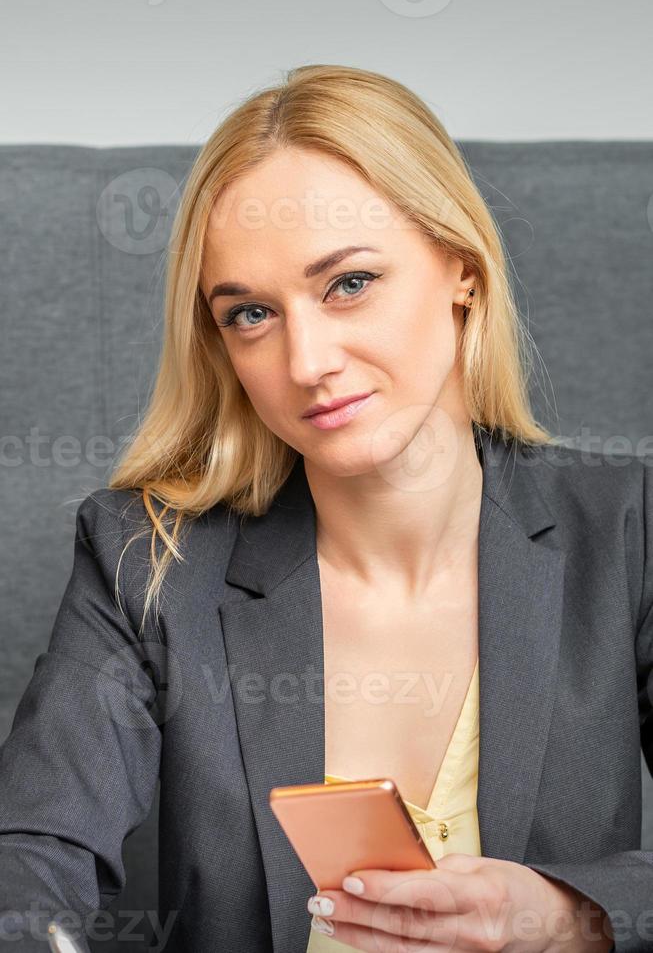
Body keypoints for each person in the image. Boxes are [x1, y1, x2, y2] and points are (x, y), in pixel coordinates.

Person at [0, 63, 649, 952]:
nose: (306, 362)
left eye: (348, 283)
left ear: (460, 269)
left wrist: (569, 915)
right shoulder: (145, 559)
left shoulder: (626, 532)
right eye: (253, 314)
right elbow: (32, 854)